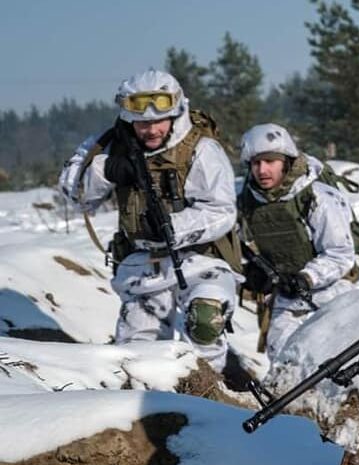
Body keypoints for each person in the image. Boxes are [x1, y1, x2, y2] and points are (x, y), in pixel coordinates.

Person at [58, 69, 239, 371]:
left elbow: (222, 211)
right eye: (143, 122)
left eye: (159, 120)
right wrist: (105, 170)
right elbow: (72, 193)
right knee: (136, 359)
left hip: (201, 261)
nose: (151, 129)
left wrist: (175, 227)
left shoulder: (201, 149)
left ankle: (211, 400)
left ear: (176, 113)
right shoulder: (110, 145)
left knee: (205, 323)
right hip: (142, 265)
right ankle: (153, 409)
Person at [237, 123, 359, 360]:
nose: (262, 170)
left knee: (337, 360)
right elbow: (243, 245)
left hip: (334, 291)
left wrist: (307, 277)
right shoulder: (247, 202)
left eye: (270, 161)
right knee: (283, 362)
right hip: (286, 295)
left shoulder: (318, 196)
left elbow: (340, 254)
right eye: (255, 163)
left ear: (286, 161)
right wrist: (252, 273)